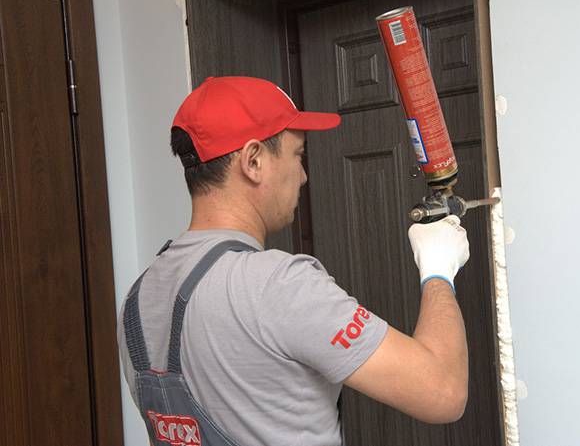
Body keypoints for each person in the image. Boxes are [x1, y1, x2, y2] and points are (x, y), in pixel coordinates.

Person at [117, 76, 470, 446]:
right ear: (253, 161)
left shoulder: (138, 299)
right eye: (297, 155)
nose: (302, 176)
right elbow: (443, 392)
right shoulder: (278, 285)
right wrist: (438, 270)